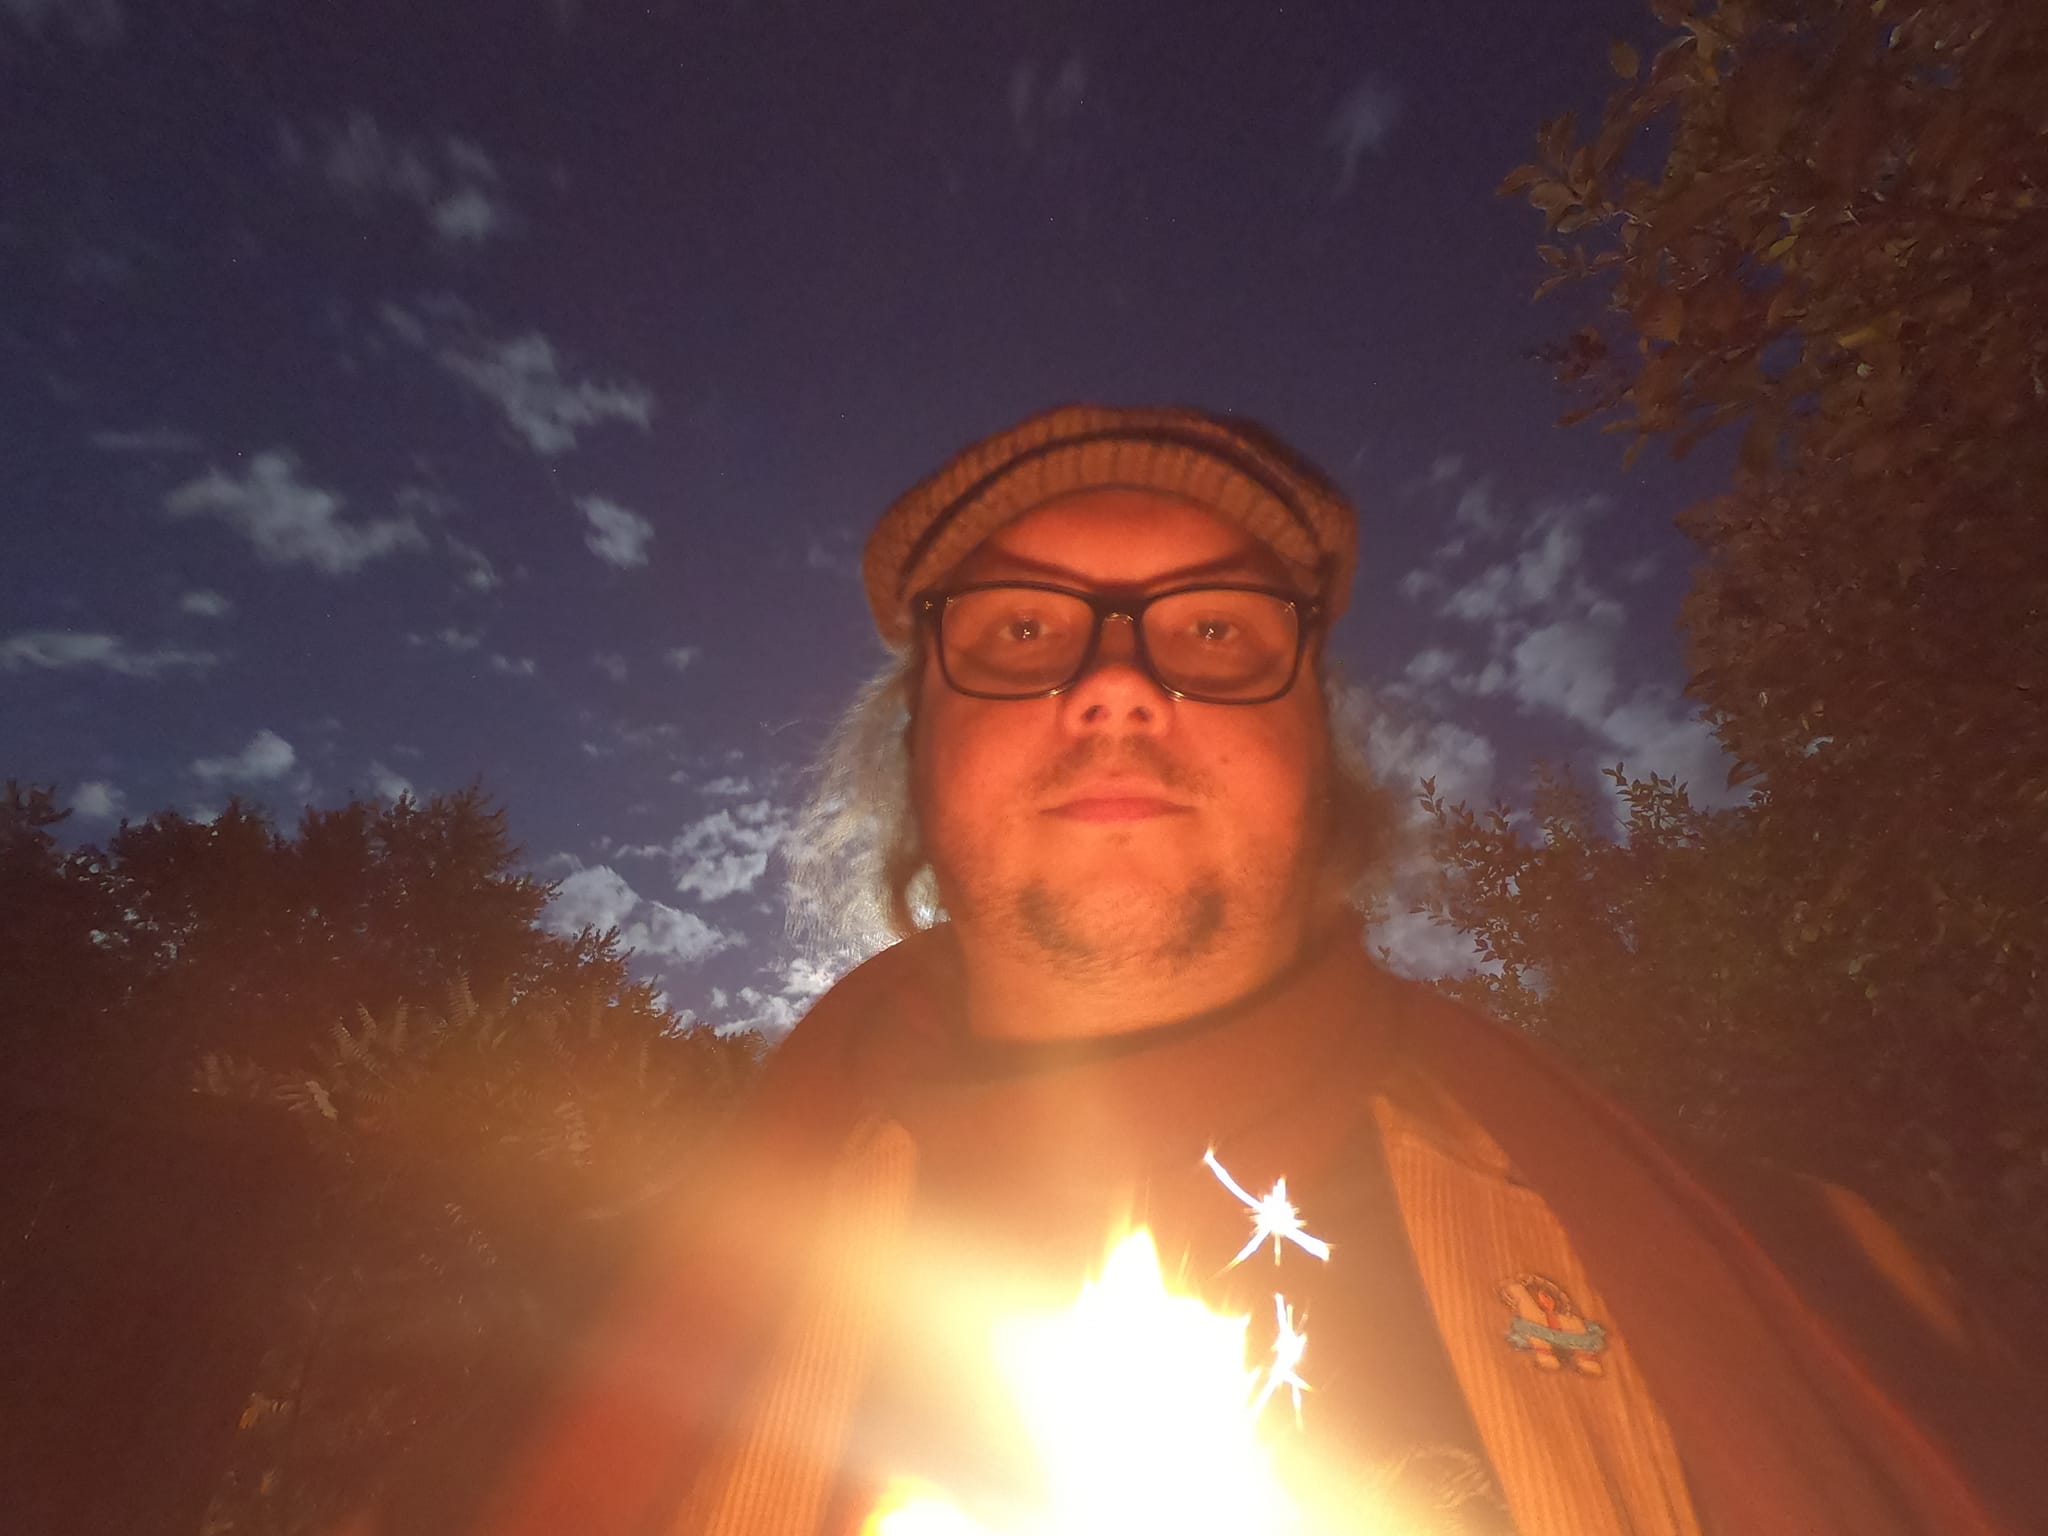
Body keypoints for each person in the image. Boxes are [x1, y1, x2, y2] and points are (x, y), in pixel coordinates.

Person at [475, 405, 2037, 1536]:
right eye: (1021, 631)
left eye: (1213, 633)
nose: (1113, 686)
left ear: (1322, 750)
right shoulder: (561, 1321)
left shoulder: (1832, 1287)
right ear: (916, 756)